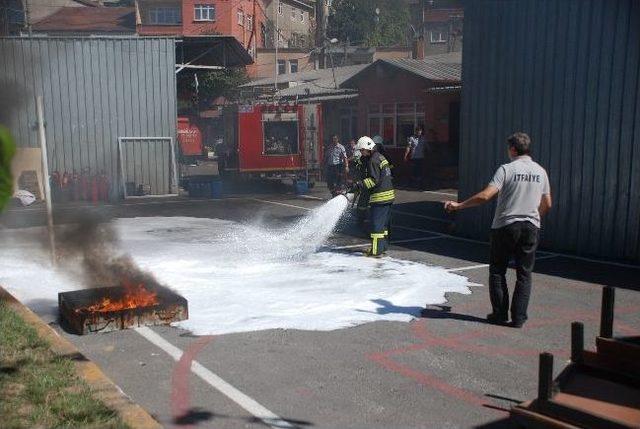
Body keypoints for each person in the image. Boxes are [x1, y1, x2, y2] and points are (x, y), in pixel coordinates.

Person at [444, 132, 552, 328]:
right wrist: (535, 218)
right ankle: (519, 317)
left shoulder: (506, 169)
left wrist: (459, 206)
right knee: (524, 274)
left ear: (512, 149)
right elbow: (547, 203)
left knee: (497, 271)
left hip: (506, 226)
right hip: (530, 226)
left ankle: (500, 314)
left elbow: (486, 195)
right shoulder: (540, 171)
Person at [351, 136, 395, 257]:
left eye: (362, 150)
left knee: (376, 226)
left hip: (379, 198)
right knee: (384, 226)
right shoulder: (380, 157)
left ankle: (375, 251)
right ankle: (383, 247)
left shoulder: (372, 160)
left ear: (367, 148)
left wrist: (359, 185)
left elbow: (373, 180)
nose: (361, 153)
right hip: (389, 196)